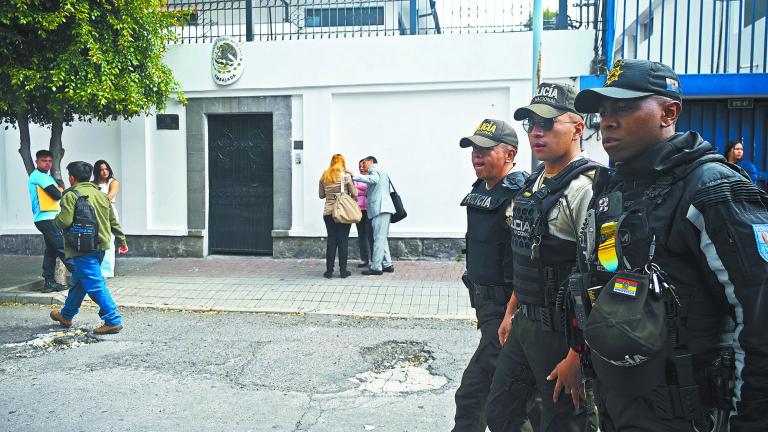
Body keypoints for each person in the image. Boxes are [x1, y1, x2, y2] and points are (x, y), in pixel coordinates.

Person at [571, 58, 768, 431]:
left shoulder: (712, 189)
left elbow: (759, 317)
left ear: (669, 112)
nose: (607, 120)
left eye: (624, 107)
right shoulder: (615, 186)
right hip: (622, 399)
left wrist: (751, 421)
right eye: (603, 110)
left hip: (688, 411)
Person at [485, 84, 599, 432]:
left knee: (566, 423)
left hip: (564, 333)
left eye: (548, 123)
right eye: (531, 122)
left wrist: (578, 356)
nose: (537, 130)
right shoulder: (536, 183)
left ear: (578, 128)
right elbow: (529, 256)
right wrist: (511, 311)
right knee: (501, 415)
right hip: (526, 324)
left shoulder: (586, 188)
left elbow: (596, 280)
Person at [452, 119, 529, 432]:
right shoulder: (481, 189)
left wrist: (513, 310)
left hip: (508, 312)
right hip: (488, 311)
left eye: (485, 149)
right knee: (480, 395)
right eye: (473, 149)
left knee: (491, 399)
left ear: (509, 153)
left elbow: (528, 261)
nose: (476, 156)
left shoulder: (520, 193)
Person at [49, 161, 128, 334]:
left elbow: (64, 221)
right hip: (101, 246)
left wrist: (55, 219)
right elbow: (113, 220)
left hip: (82, 248)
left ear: (72, 177)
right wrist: (121, 240)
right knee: (79, 283)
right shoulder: (101, 195)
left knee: (94, 283)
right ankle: (66, 315)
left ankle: (112, 319)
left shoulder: (71, 195)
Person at [27, 149, 74, 293]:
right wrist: (59, 190)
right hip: (45, 218)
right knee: (62, 248)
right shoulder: (38, 176)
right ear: (37, 161)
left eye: (49, 161)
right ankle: (83, 277)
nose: (47, 164)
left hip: (50, 218)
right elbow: (56, 194)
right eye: (43, 161)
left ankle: (49, 283)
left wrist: (59, 189)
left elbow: (59, 191)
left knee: (51, 251)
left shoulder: (47, 177)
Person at [352, 156, 395, 276]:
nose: (363, 166)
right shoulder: (382, 170)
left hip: (380, 208)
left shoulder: (374, 169)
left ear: (371, 162)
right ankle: (387, 264)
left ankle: (376, 267)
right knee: (382, 238)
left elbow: (374, 179)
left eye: (364, 163)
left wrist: (353, 176)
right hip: (384, 208)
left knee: (378, 239)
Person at [319, 154, 358, 278]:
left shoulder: (324, 176)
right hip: (343, 212)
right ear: (342, 163)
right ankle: (343, 271)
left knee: (331, 241)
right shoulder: (345, 176)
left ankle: (329, 271)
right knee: (343, 241)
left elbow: (321, 195)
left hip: (329, 212)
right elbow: (355, 194)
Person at [93, 160, 120, 278]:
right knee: (96, 240)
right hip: (94, 212)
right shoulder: (93, 184)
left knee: (108, 240)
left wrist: (96, 201)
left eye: (106, 169)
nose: (104, 172)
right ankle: (98, 270)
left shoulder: (113, 182)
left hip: (109, 211)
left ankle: (107, 271)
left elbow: (110, 196)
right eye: (101, 169)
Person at [354, 159, 374, 268]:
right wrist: (362, 190)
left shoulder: (371, 177)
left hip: (369, 210)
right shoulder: (356, 178)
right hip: (358, 210)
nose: (361, 168)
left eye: (363, 165)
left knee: (370, 235)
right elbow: (354, 191)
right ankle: (364, 259)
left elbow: (368, 190)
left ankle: (374, 259)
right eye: (359, 166)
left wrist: (360, 190)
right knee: (361, 235)